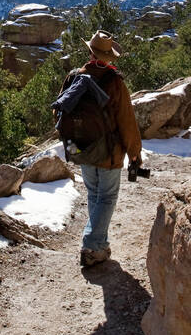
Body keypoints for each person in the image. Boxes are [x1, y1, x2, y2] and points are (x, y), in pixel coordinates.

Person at [58, 30, 143, 268]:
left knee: (95, 194)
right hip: (108, 152)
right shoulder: (114, 81)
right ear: (109, 57)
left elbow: (58, 111)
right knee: (106, 197)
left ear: (89, 52)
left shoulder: (74, 77)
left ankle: (100, 244)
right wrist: (135, 152)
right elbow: (127, 121)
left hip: (81, 149)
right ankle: (92, 246)